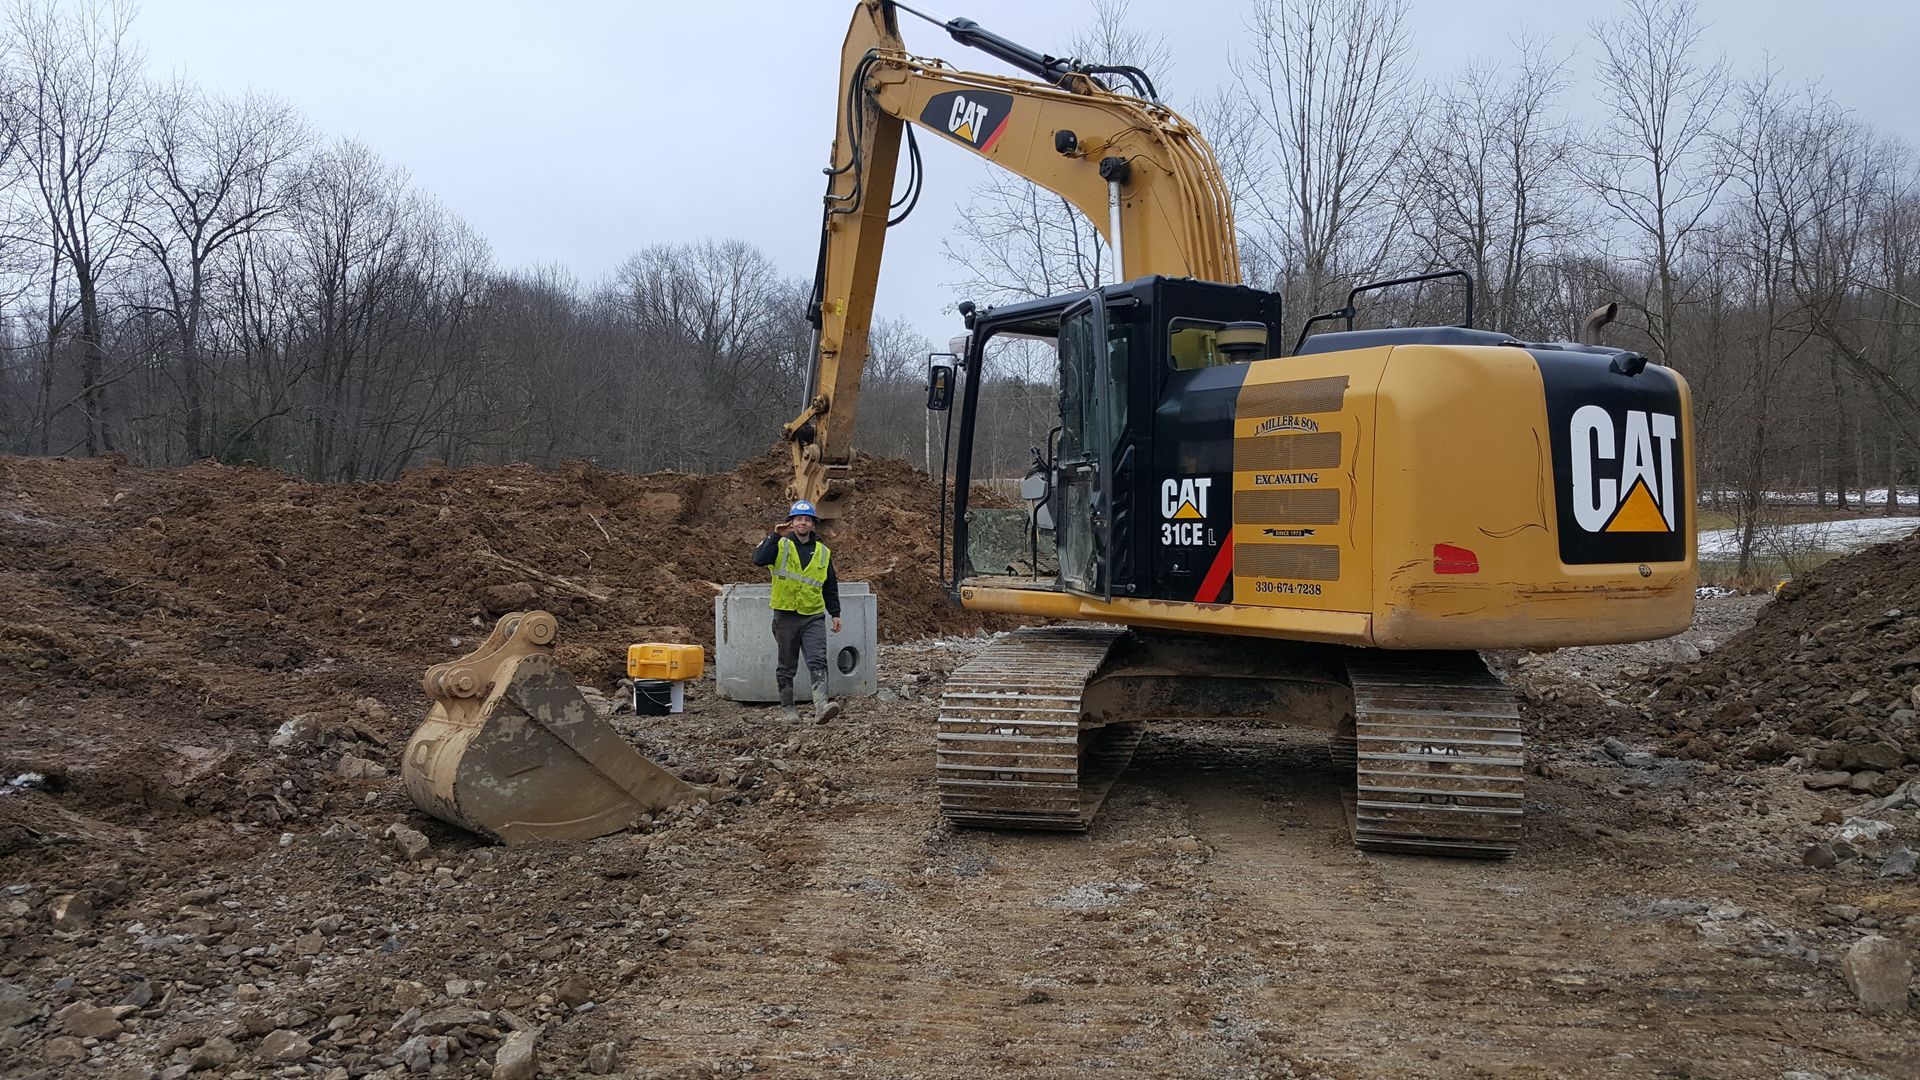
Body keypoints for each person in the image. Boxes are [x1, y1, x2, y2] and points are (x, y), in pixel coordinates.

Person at [751, 500, 843, 722]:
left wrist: (835, 612)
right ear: (791, 523)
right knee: (787, 665)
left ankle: (821, 706)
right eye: (799, 519)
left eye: (807, 519)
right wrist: (774, 536)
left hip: (813, 615)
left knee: (818, 659)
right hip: (786, 615)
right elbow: (758, 559)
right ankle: (789, 710)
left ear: (813, 524)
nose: (803, 522)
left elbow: (830, 585)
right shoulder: (778, 545)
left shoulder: (822, 552)